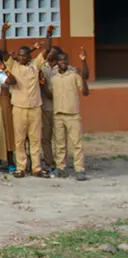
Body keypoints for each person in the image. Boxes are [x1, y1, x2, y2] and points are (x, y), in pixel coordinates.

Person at [2, 23, 45, 178]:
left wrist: (48, 35)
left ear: (29, 56)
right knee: (19, 140)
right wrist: (3, 33)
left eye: (24, 55)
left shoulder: (35, 66)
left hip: (35, 107)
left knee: (35, 139)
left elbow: (46, 51)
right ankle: (21, 167)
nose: (21, 57)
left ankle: (36, 167)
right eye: (19, 55)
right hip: (19, 108)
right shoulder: (13, 66)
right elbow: (4, 53)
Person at [45, 49, 90, 181]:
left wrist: (83, 63)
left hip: (73, 114)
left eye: (65, 60)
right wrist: (42, 84)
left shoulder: (74, 75)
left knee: (77, 143)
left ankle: (79, 169)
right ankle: (61, 167)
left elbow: (85, 92)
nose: (63, 62)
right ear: (57, 62)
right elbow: (50, 94)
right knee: (60, 143)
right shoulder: (54, 79)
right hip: (58, 114)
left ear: (68, 62)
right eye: (60, 60)